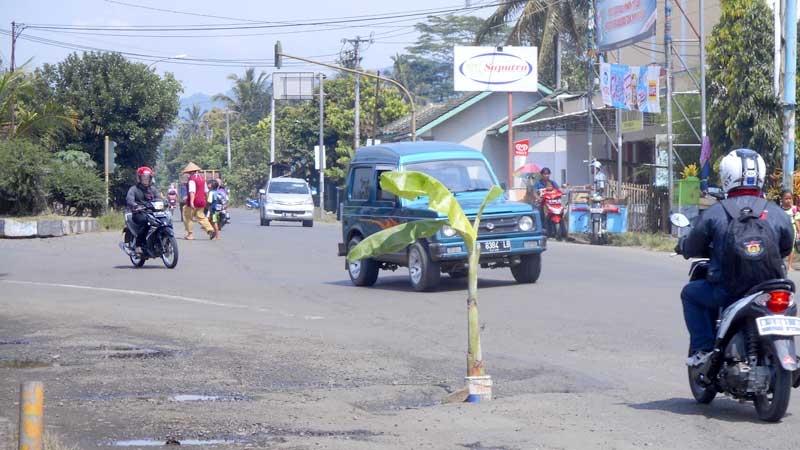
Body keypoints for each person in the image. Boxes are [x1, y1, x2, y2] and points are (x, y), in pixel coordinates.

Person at [677, 149, 793, 367]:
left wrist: (683, 246)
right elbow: (786, 247)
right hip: (771, 288)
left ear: (727, 176)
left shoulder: (716, 211)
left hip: (728, 290)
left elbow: (693, 245)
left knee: (690, 294)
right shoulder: (776, 212)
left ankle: (703, 350)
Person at [125, 166, 162, 256]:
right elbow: (129, 199)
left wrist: (164, 202)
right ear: (139, 178)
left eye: (147, 177)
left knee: (163, 220)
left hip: (151, 212)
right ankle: (138, 246)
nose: (146, 179)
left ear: (150, 178)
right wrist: (135, 205)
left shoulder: (152, 189)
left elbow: (159, 198)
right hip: (138, 212)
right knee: (145, 222)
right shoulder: (134, 189)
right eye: (144, 177)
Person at [181, 162, 214, 240]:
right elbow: (206, 191)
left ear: (190, 172)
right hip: (201, 201)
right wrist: (206, 200)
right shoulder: (202, 179)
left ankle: (190, 234)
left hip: (193, 201)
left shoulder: (192, 179)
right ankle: (210, 229)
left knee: (188, 216)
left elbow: (192, 191)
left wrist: (192, 202)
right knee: (201, 217)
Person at [780, 190, 800, 270]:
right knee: (780, 246)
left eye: (790, 198)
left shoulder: (794, 209)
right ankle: (780, 264)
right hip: (781, 229)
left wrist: (799, 232)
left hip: (792, 229)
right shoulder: (779, 209)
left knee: (791, 247)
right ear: (782, 199)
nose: (788, 200)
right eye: (786, 198)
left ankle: (790, 266)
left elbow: (797, 221)